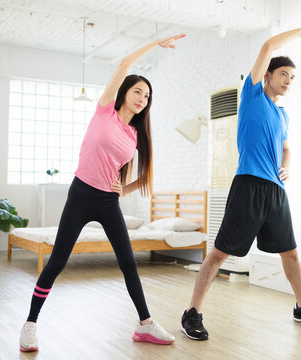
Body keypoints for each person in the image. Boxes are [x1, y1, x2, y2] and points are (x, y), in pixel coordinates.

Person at [19, 33, 186, 352]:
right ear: (124, 93)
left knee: (128, 263)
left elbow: (143, 175)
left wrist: (123, 188)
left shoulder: (135, 135)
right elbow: (125, 63)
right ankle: (30, 325)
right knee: (56, 262)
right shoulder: (104, 111)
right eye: (138, 91)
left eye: (147, 96)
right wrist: (157, 43)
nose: (142, 98)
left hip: (108, 202)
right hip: (81, 194)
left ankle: (145, 325)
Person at [181, 26, 301, 341]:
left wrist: (286, 168)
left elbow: (287, 148)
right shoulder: (251, 95)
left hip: (275, 191)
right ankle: (192, 312)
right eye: (283, 74)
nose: (288, 81)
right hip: (248, 184)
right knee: (221, 253)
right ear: (267, 75)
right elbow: (267, 44)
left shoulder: (283, 115)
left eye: (292, 77)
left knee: (290, 252)